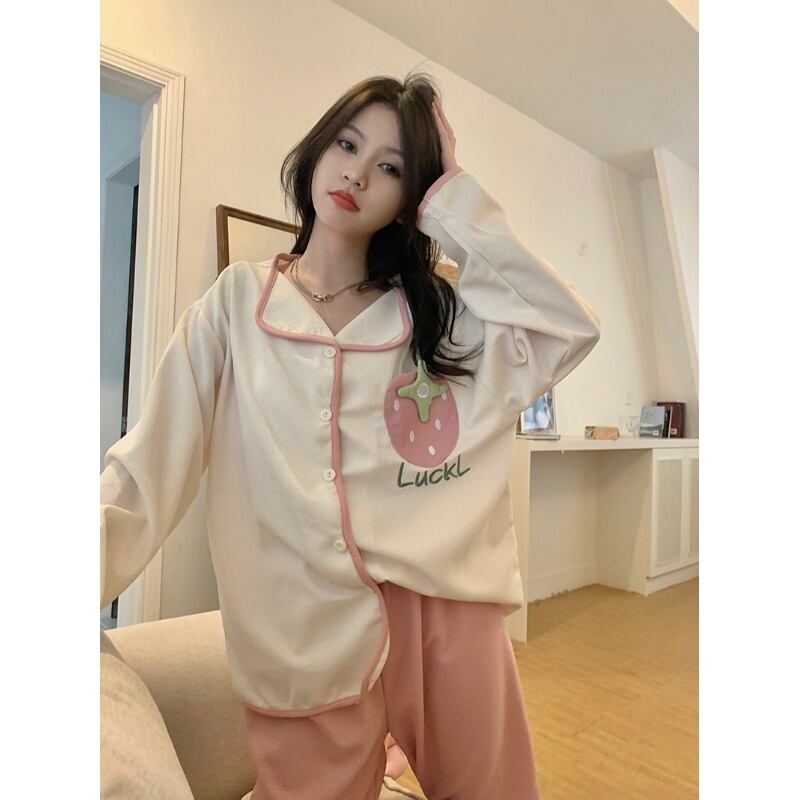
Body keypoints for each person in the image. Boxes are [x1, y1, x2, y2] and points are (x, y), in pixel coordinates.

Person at [100, 72, 602, 799]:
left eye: (391, 167)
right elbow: (146, 470)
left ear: (410, 196)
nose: (357, 173)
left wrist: (452, 197)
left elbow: (567, 327)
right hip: (302, 630)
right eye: (346, 144)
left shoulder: (436, 317)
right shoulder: (233, 307)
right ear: (318, 149)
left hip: (445, 614)